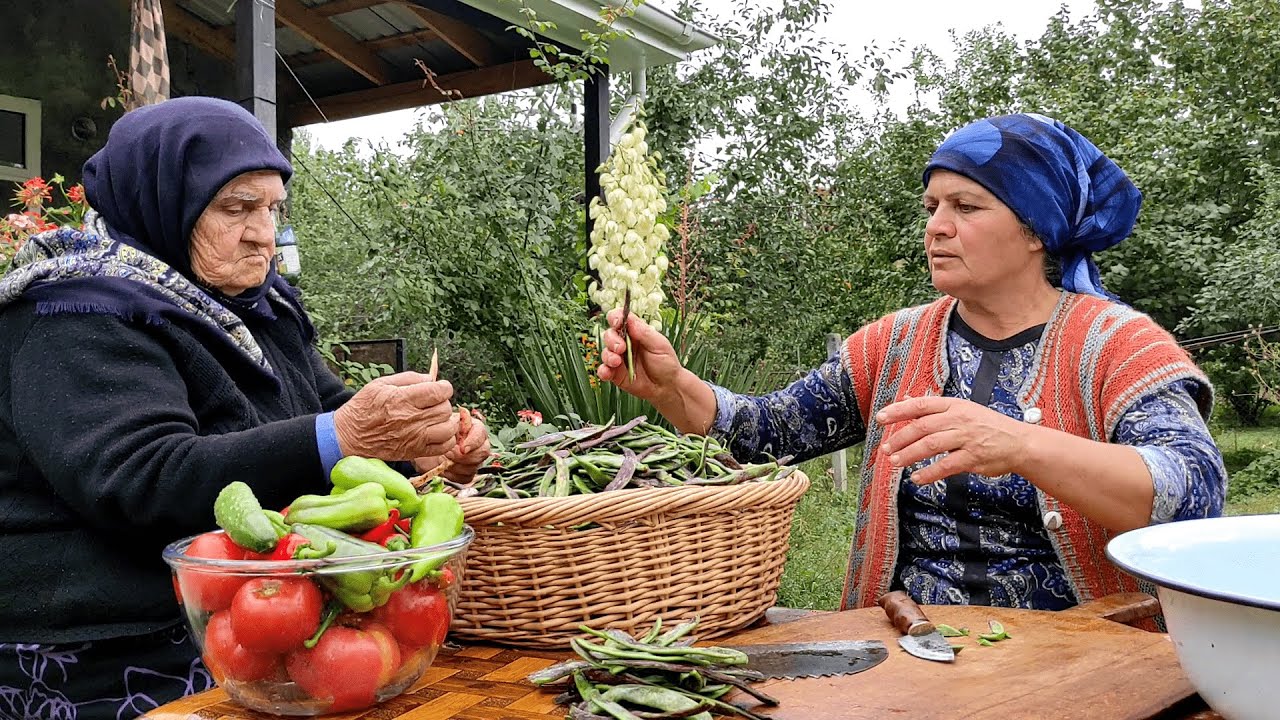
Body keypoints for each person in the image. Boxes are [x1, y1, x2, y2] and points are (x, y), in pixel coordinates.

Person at [597, 113, 1226, 614]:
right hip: (908, 655)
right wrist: (672, 385)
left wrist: (1022, 445)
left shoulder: (1119, 344)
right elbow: (767, 433)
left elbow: (1191, 492)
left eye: (967, 207)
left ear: (1038, 229)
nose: (937, 228)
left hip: (1082, 666)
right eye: (932, 208)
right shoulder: (894, 344)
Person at [0, 97, 490, 719]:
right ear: (162, 202)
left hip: (251, 625)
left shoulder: (258, 307)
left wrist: (414, 443)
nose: (263, 232)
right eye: (236, 208)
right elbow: (140, 478)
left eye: (271, 208)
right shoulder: (73, 311)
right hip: (105, 653)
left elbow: (329, 410)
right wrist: (346, 433)